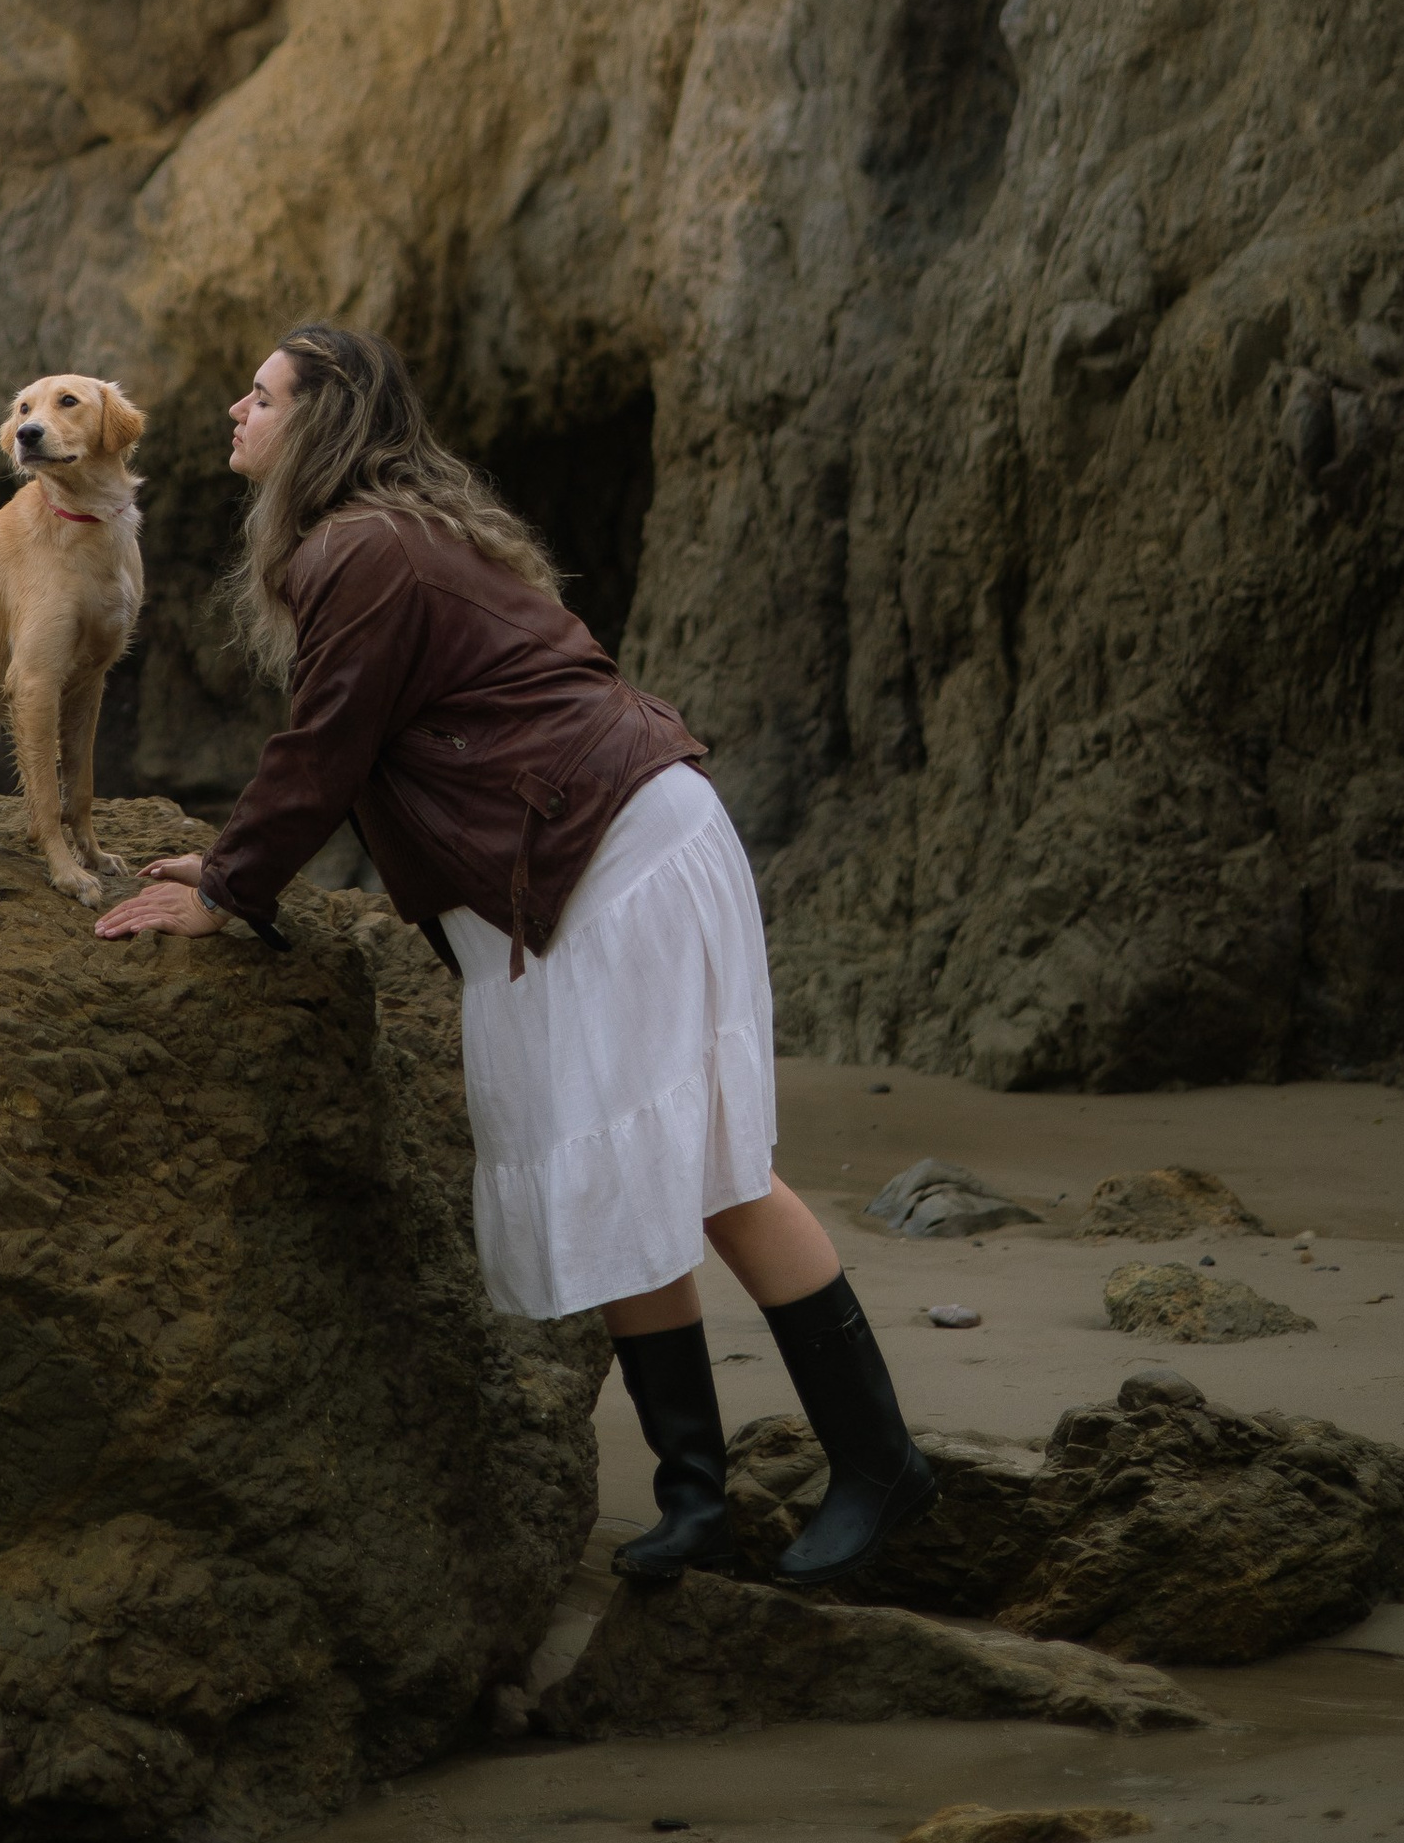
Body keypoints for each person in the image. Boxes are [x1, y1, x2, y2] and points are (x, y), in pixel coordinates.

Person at [94, 323, 935, 1589]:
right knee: (621, 1169)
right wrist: (230, 868)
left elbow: (325, 745)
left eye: (260, 395)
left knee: (714, 1169)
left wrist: (225, 886)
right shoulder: (380, 539)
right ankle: (695, 1499)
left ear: (319, 420)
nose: (234, 409)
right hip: (582, 853)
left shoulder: (362, 548)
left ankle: (879, 1466)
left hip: (612, 853)